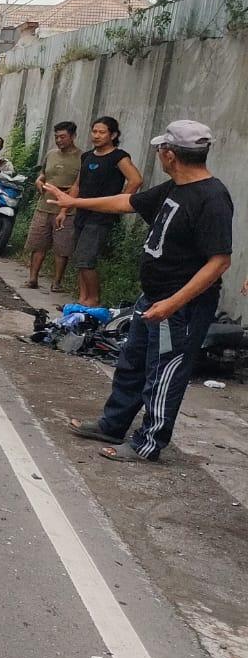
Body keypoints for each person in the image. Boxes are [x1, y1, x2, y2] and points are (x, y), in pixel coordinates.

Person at [45, 121, 232, 463]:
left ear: (170, 155)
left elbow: (219, 262)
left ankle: (148, 443)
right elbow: (126, 201)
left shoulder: (212, 198)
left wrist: (172, 303)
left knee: (164, 373)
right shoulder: (174, 188)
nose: (159, 154)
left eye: (161, 149)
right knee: (131, 364)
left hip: (180, 307)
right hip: (153, 298)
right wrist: (74, 201)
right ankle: (113, 424)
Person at [58, 114, 143, 305]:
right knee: (80, 259)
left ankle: (93, 299)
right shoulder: (87, 156)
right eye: (94, 131)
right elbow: (77, 185)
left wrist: (120, 202)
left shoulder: (119, 157)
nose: (96, 136)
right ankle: (82, 299)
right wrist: (64, 210)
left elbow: (136, 180)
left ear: (113, 135)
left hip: (101, 217)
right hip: (82, 213)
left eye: (102, 132)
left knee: (86, 259)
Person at [26, 121, 81, 290]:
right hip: (44, 206)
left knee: (62, 248)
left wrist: (65, 207)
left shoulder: (82, 158)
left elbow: (78, 185)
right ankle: (32, 279)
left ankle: (56, 282)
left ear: (73, 136)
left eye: (63, 137)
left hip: (67, 210)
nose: (59, 140)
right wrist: (39, 180)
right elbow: (43, 173)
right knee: (38, 244)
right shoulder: (51, 154)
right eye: (56, 137)